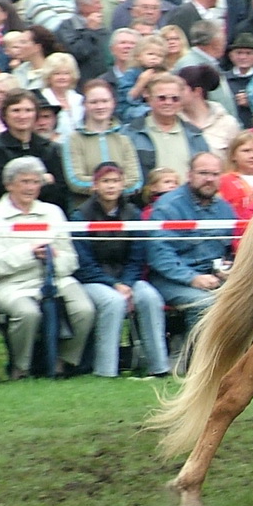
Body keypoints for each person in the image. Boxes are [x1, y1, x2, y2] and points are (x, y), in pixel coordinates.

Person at [0, 155, 95, 377]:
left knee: (84, 310)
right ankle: (21, 368)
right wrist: (31, 253)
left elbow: (71, 259)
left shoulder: (53, 212)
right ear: (9, 184)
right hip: (9, 284)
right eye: (24, 182)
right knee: (27, 314)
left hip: (56, 278)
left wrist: (51, 259)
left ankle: (62, 362)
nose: (31, 187)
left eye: (35, 182)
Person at [73, 161, 170, 377]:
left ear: (123, 185)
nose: (111, 186)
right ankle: (106, 370)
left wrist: (126, 283)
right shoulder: (80, 215)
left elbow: (137, 257)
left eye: (115, 181)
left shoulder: (133, 213)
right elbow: (84, 263)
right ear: (95, 186)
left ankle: (159, 367)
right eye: (105, 181)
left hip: (127, 278)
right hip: (93, 281)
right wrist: (114, 285)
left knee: (151, 298)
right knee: (113, 302)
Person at [145, 152, 237, 317]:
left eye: (215, 174)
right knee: (207, 305)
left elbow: (230, 251)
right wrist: (193, 278)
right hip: (171, 280)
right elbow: (160, 255)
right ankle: (197, 344)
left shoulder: (226, 209)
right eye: (203, 173)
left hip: (214, 278)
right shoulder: (167, 206)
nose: (209, 179)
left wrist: (227, 269)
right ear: (189, 175)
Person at [61, 78, 141, 208]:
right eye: (94, 102)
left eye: (105, 101)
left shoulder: (124, 139)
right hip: (86, 211)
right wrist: (114, 184)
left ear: (113, 103)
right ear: (85, 105)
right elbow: (75, 180)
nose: (100, 106)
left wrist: (104, 185)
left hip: (121, 211)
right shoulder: (73, 140)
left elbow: (135, 181)